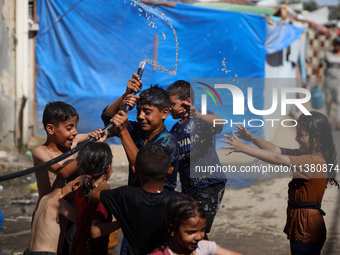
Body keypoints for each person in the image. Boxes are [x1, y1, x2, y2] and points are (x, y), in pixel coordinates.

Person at [221, 111, 339, 255]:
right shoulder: (309, 157)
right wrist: (251, 138)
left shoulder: (312, 161)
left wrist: (243, 148)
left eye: (301, 135)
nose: (296, 138)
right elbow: (277, 150)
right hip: (303, 226)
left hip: (307, 229)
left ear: (316, 136)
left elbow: (277, 158)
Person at [32, 101, 107, 254]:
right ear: (50, 129)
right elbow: (63, 172)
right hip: (49, 212)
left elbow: (90, 136)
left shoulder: (72, 144)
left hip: (70, 212)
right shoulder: (40, 152)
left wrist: (95, 136)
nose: (74, 132)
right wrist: (89, 154)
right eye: (69, 128)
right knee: (49, 249)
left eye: (75, 127)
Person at [90, 143, 180, 255]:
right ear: (170, 171)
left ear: (135, 170)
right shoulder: (178, 201)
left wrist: (103, 181)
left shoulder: (125, 195)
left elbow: (93, 195)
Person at [166, 80, 227, 235]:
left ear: (187, 102)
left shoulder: (203, 118)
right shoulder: (175, 130)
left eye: (172, 104)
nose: (169, 108)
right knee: (187, 228)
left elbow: (220, 123)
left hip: (209, 184)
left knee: (195, 229)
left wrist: (198, 115)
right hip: (190, 188)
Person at [101, 73, 179, 190]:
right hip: (138, 200)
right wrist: (126, 95)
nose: (140, 116)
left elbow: (143, 169)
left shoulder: (168, 142)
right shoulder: (138, 131)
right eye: (138, 111)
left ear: (164, 113)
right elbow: (108, 118)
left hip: (158, 204)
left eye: (147, 112)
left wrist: (123, 132)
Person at [150, 194, 243, 255]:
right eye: (191, 232)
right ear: (172, 230)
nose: (199, 236)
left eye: (202, 230)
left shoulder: (203, 247)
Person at [71, 142, 120, 255]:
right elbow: (96, 232)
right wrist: (122, 222)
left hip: (76, 249)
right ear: (108, 168)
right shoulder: (103, 193)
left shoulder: (80, 190)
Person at [24, 177, 82, 255]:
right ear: (75, 185)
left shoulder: (45, 198)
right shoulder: (58, 202)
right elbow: (80, 219)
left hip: (30, 251)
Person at [318, 36, 340, 130]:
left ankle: (338, 121)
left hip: (339, 82)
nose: (337, 47)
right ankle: (330, 118)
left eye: (339, 45)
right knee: (328, 100)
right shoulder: (328, 54)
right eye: (336, 44)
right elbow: (320, 65)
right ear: (334, 44)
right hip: (328, 81)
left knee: (339, 101)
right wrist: (318, 79)